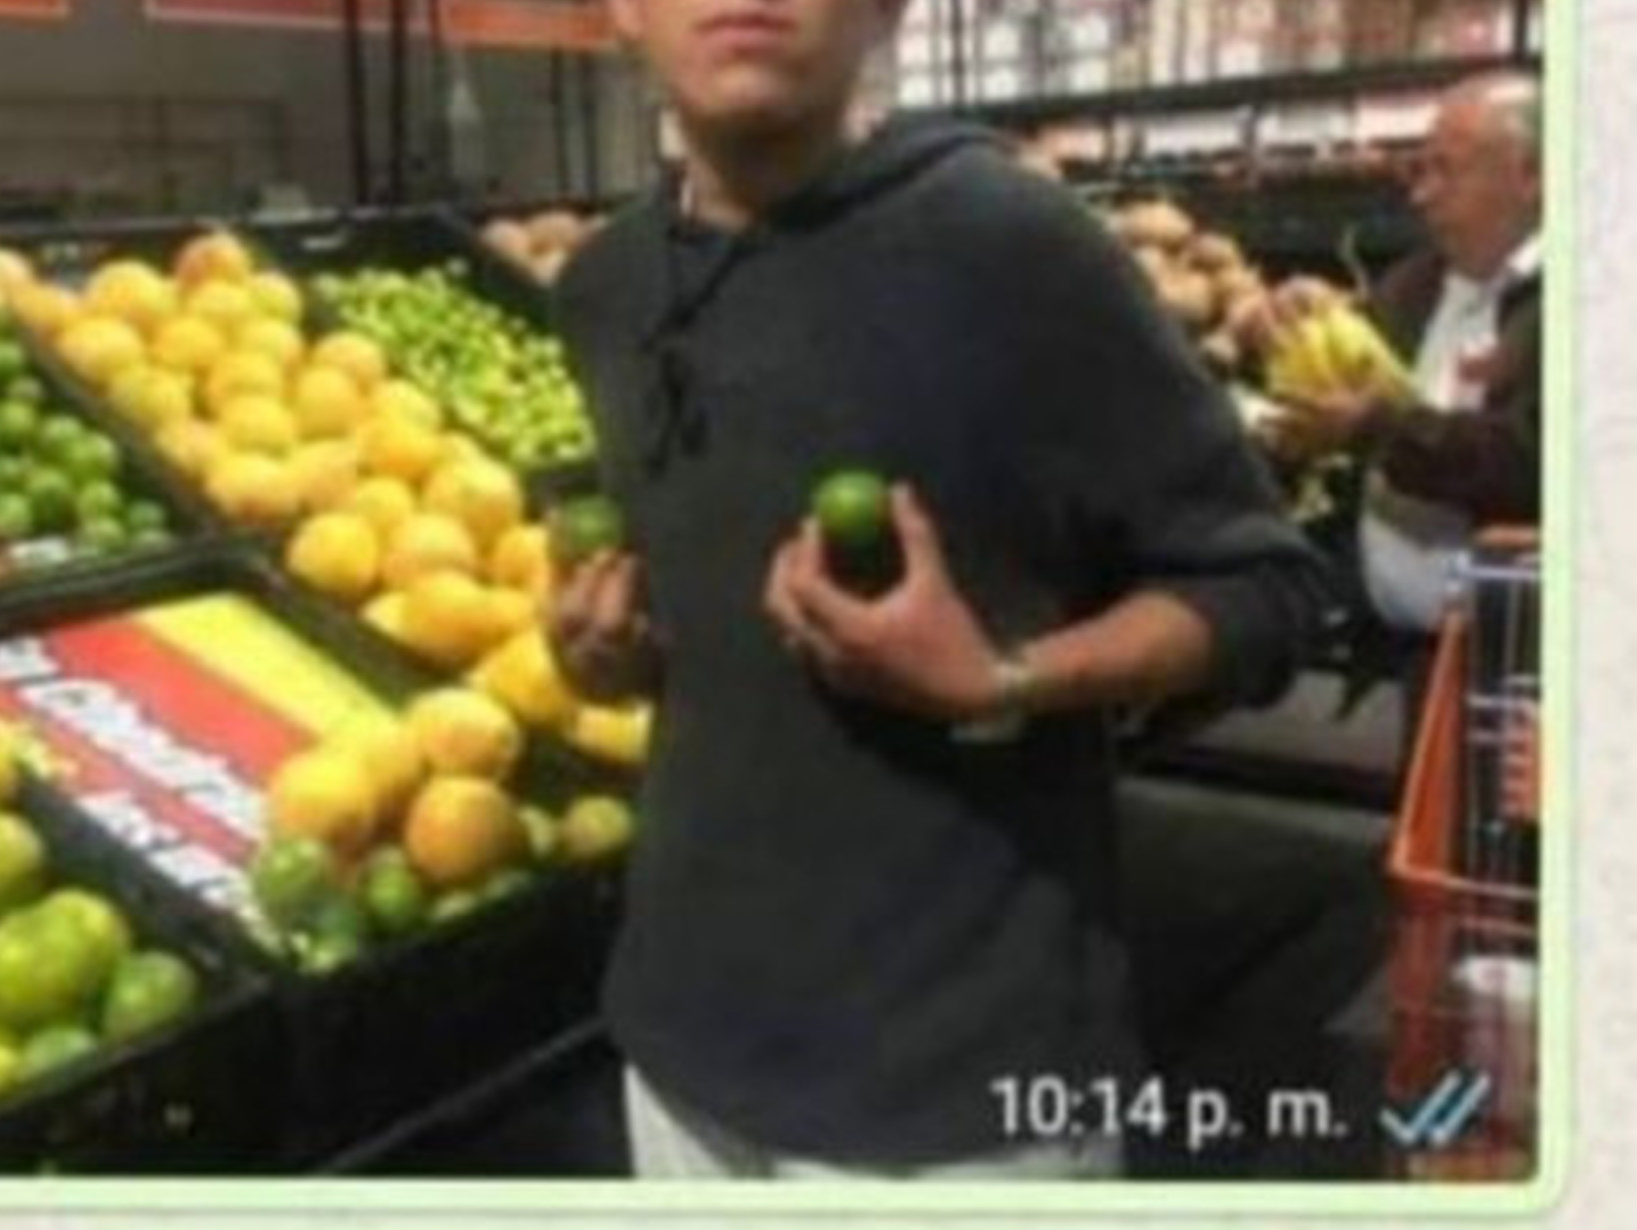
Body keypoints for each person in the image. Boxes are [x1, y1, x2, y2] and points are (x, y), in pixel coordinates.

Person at [543, 0, 1332, 1179]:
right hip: (680, 1044)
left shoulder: (1014, 246)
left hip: (961, 1089)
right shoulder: (604, 290)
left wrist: (996, 678)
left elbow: (1265, 589)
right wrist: (608, 655)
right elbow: (699, 617)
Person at [1249, 72, 1542, 733]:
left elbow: (1535, 460)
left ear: (1530, 176)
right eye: (1419, 168)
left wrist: (1381, 428)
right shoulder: (1416, 282)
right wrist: (1301, 321)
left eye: (1446, 170)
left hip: (1526, 666)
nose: (1421, 192)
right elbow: (1346, 377)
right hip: (1420, 655)